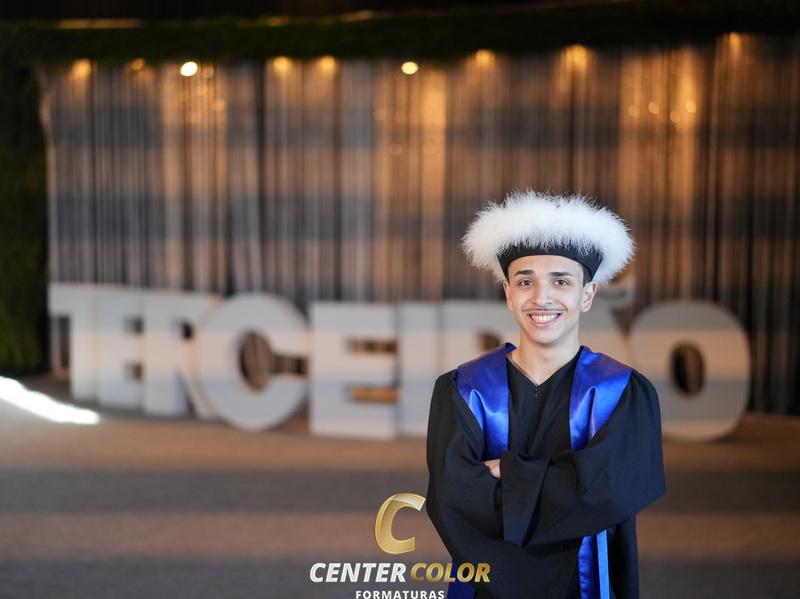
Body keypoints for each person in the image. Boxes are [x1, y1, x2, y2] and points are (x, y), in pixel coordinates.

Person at [424, 190, 667, 599]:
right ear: (508, 293)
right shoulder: (463, 389)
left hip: (587, 584)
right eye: (525, 282)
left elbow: (613, 492)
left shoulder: (623, 392)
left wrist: (508, 474)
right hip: (488, 587)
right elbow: (453, 498)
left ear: (587, 294)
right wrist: (568, 480)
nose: (541, 298)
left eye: (561, 281)